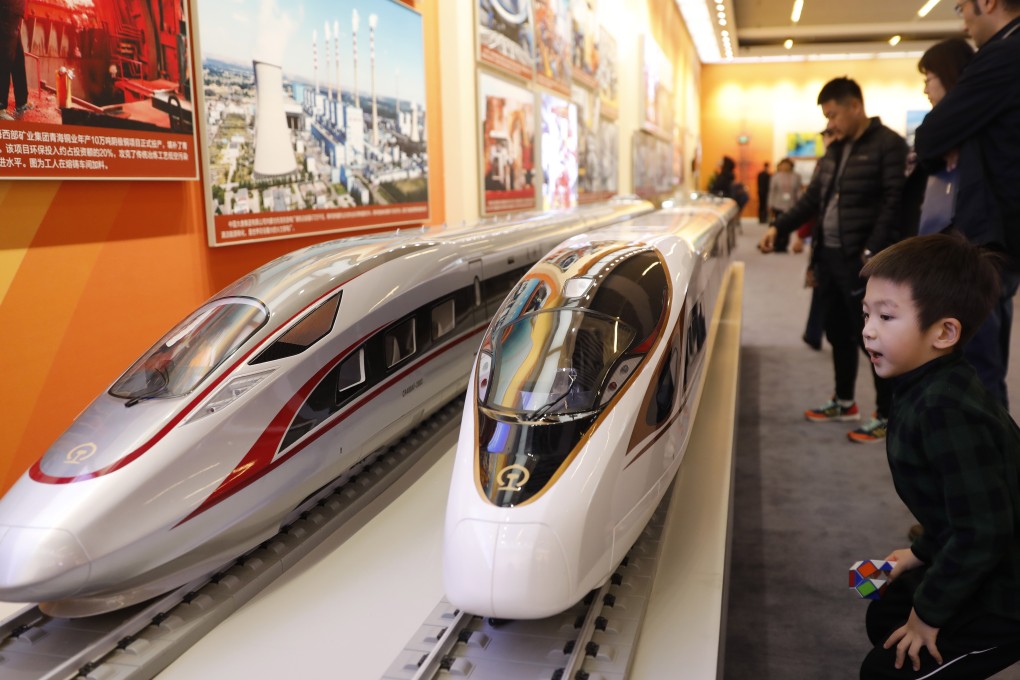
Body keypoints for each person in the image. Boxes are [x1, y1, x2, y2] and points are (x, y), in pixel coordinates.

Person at [857, 233, 1020, 679]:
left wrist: (926, 617)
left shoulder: (946, 411)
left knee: (883, 673)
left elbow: (982, 530)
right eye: (867, 313)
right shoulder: (926, 386)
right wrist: (918, 553)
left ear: (944, 333)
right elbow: (962, 508)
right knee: (884, 612)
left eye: (887, 317)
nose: (869, 329)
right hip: (984, 551)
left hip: (1007, 593)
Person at [759, 77, 907, 444]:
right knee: (839, 332)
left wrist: (873, 251)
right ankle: (845, 401)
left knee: (872, 339)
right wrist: (780, 228)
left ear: (855, 106)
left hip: (863, 261)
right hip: (828, 257)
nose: (830, 124)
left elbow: (896, 201)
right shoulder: (835, 150)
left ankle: (887, 414)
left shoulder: (889, 145)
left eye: (834, 115)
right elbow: (812, 201)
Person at [913, 0, 1020, 408]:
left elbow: (929, 138)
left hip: (987, 243)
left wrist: (953, 138)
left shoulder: (1004, 55)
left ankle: (988, 466)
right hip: (1000, 242)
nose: (964, 21)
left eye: (962, 7)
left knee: (976, 369)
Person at [0, 0, 28, 121]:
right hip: (6, 9)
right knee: (5, 57)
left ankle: (21, 103)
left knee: (17, 57)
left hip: (14, 11)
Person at [767, 158, 802, 253]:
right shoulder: (776, 177)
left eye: (787, 165)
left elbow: (798, 190)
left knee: (788, 225)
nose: (785, 167)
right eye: (783, 165)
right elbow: (772, 191)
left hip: (791, 204)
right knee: (778, 224)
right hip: (778, 204)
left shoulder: (796, 176)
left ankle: (784, 244)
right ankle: (777, 244)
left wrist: (800, 202)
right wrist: (770, 204)